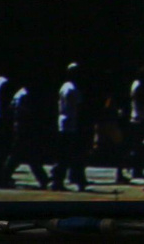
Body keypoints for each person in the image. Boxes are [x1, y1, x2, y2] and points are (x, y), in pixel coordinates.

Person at [49, 62, 89, 191]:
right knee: (70, 154)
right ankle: (74, 179)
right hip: (71, 125)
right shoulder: (73, 89)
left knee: (63, 154)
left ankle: (59, 179)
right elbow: (79, 107)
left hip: (63, 123)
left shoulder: (64, 86)